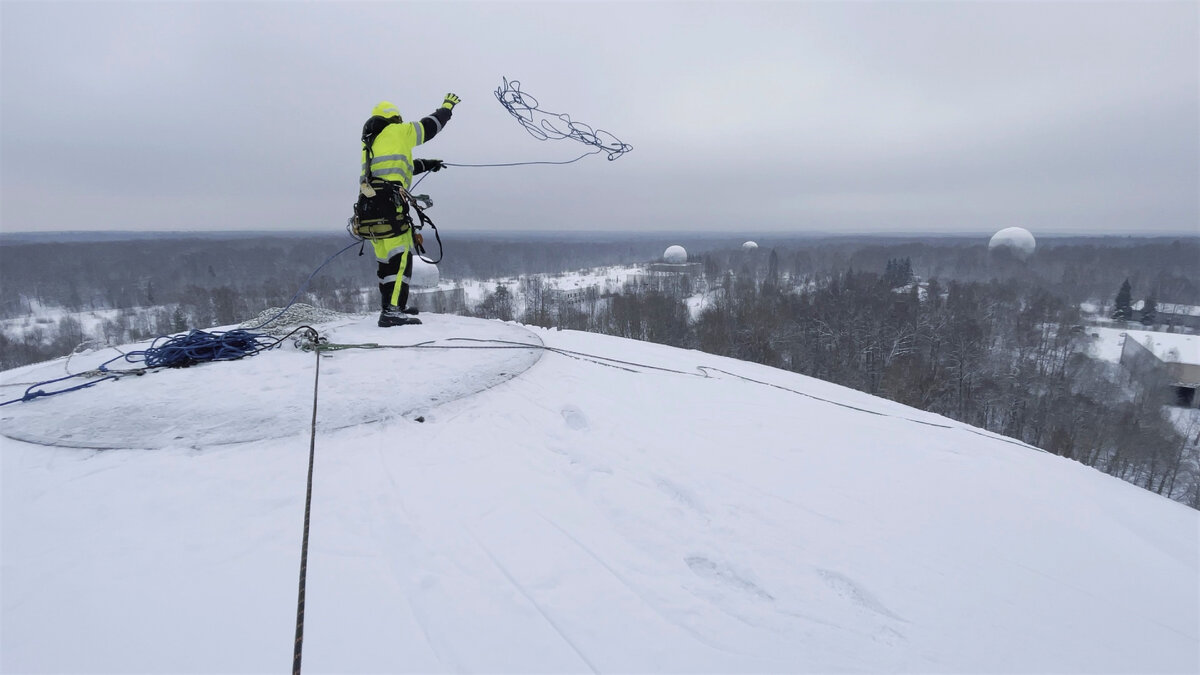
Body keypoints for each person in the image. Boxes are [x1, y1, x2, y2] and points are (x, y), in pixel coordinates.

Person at [360, 93, 460, 327]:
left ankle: (392, 305)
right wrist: (447, 107)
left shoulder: (371, 142)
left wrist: (428, 164)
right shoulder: (397, 130)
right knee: (401, 257)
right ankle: (393, 311)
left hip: (370, 208)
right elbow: (429, 126)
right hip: (389, 205)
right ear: (394, 117)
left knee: (386, 261)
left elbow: (400, 166)